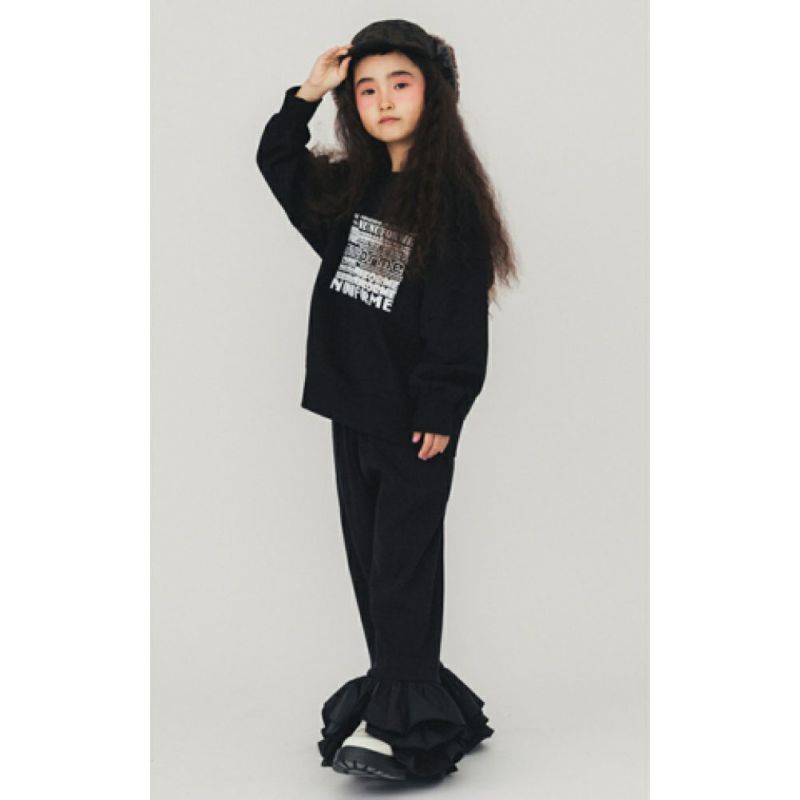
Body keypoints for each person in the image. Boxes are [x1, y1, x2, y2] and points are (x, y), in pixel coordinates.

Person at [255, 18, 518, 782]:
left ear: (433, 93)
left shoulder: (449, 205)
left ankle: (404, 732)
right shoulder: (351, 193)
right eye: (367, 90)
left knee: (402, 567)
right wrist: (309, 93)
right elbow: (278, 161)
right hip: (354, 411)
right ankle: (416, 699)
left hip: (412, 426)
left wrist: (441, 406)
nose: (383, 100)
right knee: (374, 567)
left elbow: (457, 320)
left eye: (399, 83)